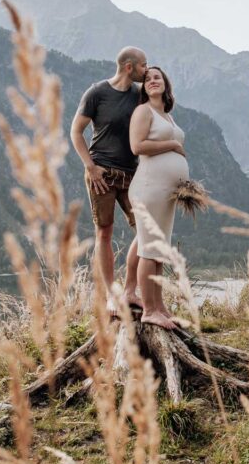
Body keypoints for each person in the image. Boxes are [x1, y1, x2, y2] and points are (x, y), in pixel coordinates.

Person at [70, 46, 148, 314]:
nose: (146, 70)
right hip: (101, 172)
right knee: (104, 232)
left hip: (131, 175)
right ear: (129, 67)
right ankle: (112, 296)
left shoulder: (140, 96)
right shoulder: (97, 93)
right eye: (143, 66)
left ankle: (130, 290)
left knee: (147, 229)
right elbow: (76, 131)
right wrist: (89, 167)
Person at [128, 66, 188, 329]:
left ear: (165, 83)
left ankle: (160, 306)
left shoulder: (167, 116)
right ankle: (149, 310)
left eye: (157, 77)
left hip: (165, 193)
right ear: (143, 87)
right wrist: (173, 146)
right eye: (148, 79)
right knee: (149, 251)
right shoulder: (143, 111)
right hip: (149, 187)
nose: (152, 81)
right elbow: (137, 146)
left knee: (158, 250)